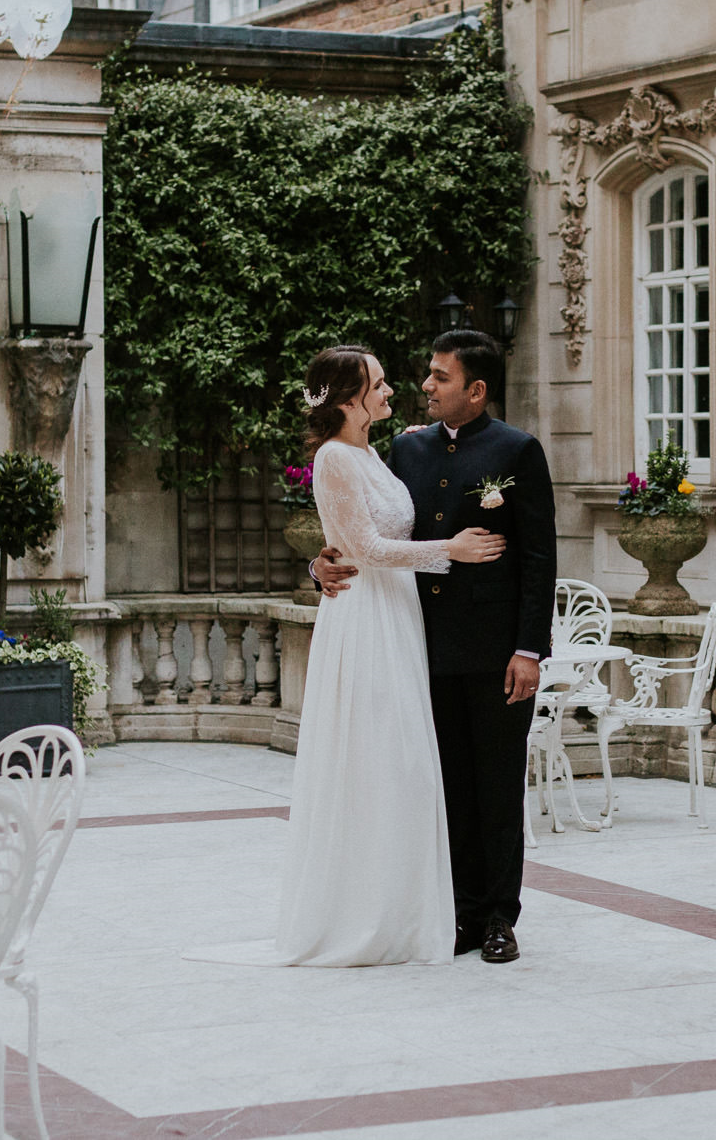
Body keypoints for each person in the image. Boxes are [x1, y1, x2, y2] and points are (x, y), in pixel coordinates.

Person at [187, 344, 504, 967]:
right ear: (344, 398)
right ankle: (364, 917)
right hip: (365, 618)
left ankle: (404, 910)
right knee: (376, 757)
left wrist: (418, 441)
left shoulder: (373, 453)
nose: (392, 391)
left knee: (404, 762)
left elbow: (375, 520)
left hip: (397, 615)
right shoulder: (334, 457)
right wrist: (452, 550)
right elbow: (365, 547)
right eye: (378, 385)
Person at [314, 330, 557, 964]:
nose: (425, 385)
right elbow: (369, 530)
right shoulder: (403, 448)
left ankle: (501, 918)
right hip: (417, 647)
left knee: (498, 788)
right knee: (442, 787)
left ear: (475, 390)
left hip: (497, 652)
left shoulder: (519, 451)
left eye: (440, 377)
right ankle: (460, 914)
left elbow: (539, 559)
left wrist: (529, 649)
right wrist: (321, 566)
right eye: (426, 373)